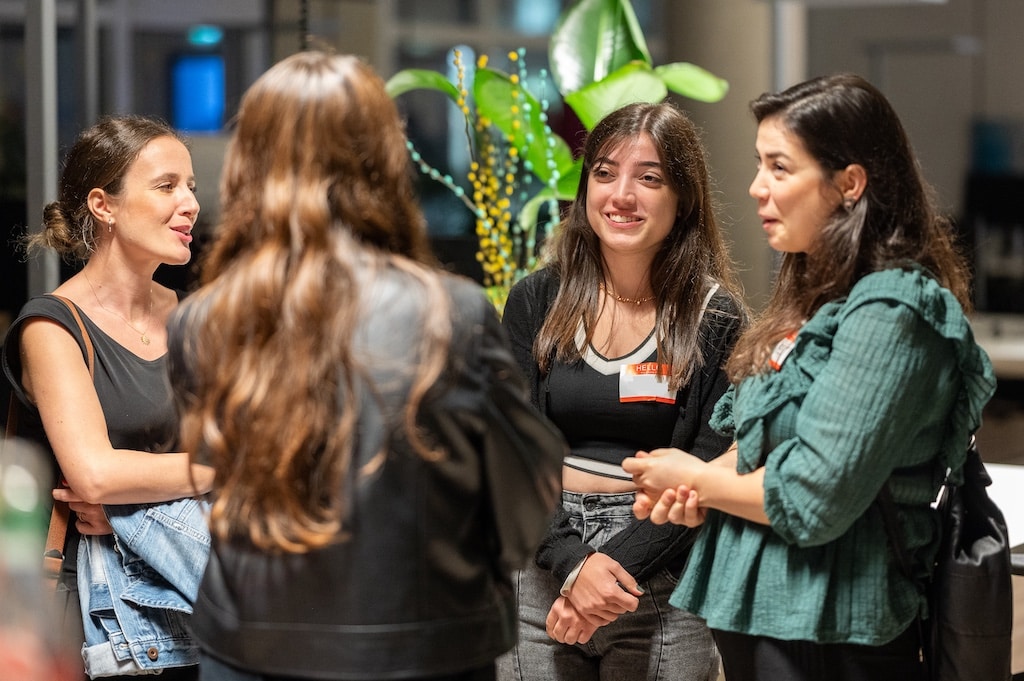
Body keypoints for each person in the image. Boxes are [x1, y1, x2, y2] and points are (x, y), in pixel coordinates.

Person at [163, 50, 566, 681]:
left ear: (248, 163)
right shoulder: (452, 314)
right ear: (384, 159)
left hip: (249, 645)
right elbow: (527, 495)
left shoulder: (201, 322)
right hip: (426, 648)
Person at [623, 73, 997, 681]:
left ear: (848, 183)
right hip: (767, 619)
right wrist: (695, 488)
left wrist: (695, 478)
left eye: (779, 168)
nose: (756, 188)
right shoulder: (813, 301)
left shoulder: (894, 312)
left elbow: (811, 494)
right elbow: (759, 448)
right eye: (758, 164)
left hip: (836, 630)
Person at [495, 102, 747, 681]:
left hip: (663, 577)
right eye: (604, 173)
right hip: (542, 565)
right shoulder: (536, 300)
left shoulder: (714, 317)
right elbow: (511, 453)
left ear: (683, 198)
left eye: (649, 178)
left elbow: (709, 469)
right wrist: (572, 566)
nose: (621, 195)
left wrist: (607, 570)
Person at [1, 115, 213, 680]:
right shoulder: (51, 326)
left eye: (191, 186)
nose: (190, 203)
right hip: (99, 618)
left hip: (189, 594)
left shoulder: (193, 318)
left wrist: (132, 502)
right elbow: (93, 475)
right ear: (104, 205)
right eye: (166, 186)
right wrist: (228, 470)